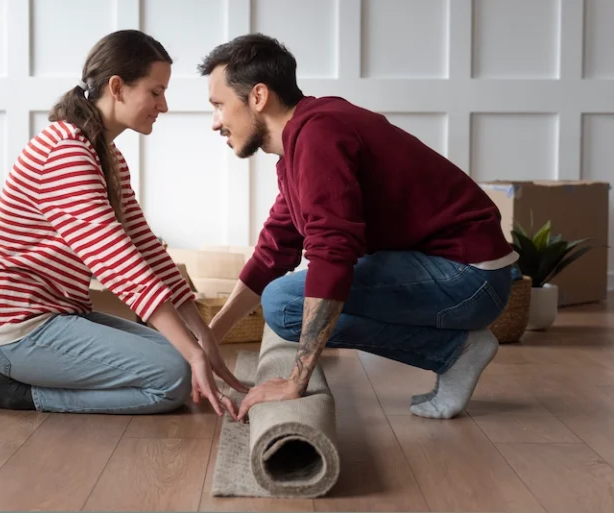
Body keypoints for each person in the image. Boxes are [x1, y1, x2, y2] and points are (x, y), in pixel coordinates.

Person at [197, 33, 517, 421]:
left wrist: (295, 381)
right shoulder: (302, 142)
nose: (216, 123)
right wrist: (212, 338)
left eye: (219, 105)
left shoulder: (318, 135)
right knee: (283, 299)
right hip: (456, 274)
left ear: (258, 97)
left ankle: (455, 351)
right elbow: (275, 248)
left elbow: (333, 252)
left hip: (468, 278)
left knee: (284, 303)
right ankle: (457, 348)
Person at [0, 30, 247, 420]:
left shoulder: (106, 156)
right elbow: (118, 263)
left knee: (180, 353)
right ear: (117, 87)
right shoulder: (65, 153)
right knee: (174, 377)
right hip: (17, 330)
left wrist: (200, 334)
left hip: (60, 316)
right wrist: (192, 354)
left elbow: (145, 247)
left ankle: (26, 382)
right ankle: (20, 394)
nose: (165, 105)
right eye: (155, 92)